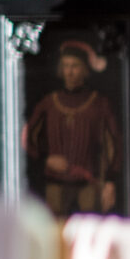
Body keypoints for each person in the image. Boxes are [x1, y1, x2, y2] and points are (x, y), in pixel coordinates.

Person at [24, 38, 122, 216]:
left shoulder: (99, 103)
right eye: (66, 66)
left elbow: (114, 144)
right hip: (55, 183)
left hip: (89, 184)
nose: (69, 72)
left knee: (90, 226)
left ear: (85, 70)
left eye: (75, 66)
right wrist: (46, 160)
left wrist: (110, 181)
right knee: (55, 226)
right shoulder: (49, 102)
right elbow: (28, 137)